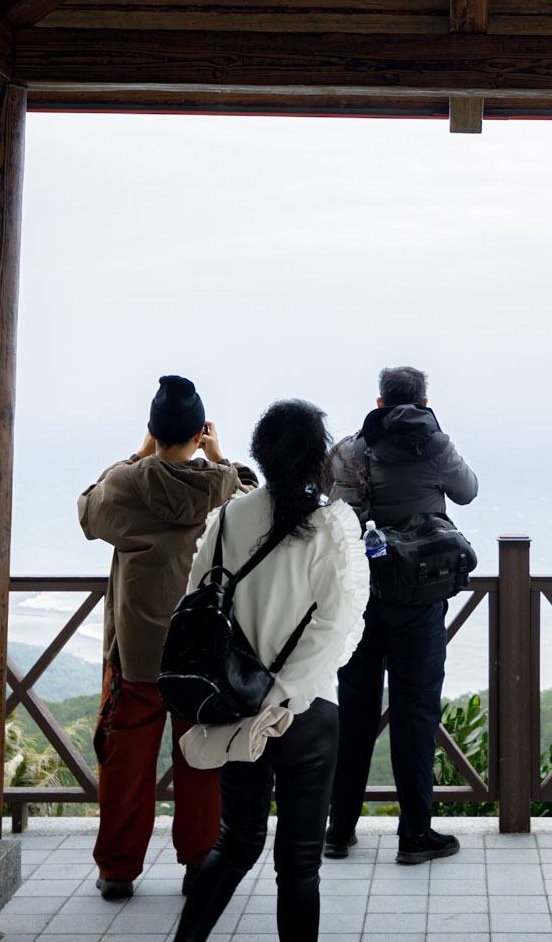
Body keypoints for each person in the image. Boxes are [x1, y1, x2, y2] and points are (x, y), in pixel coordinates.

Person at [174, 399, 366, 942]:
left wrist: (254, 695)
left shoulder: (228, 518)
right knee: (299, 866)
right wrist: (283, 694)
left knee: (235, 844)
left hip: (236, 704)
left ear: (261, 452)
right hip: (305, 712)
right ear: (318, 459)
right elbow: (338, 627)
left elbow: (197, 601)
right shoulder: (330, 526)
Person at [79, 375, 257, 900]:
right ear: (199, 434)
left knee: (125, 760)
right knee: (201, 757)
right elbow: (258, 508)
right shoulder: (223, 488)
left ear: (153, 431)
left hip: (136, 649)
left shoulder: (126, 485)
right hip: (203, 649)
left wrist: (137, 456)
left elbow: (87, 511)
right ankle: (200, 862)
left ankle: (118, 869)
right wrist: (222, 459)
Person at [323, 365, 479, 864]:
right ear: (424, 402)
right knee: (416, 715)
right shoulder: (435, 446)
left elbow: (334, 510)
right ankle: (414, 836)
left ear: (379, 402)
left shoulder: (351, 450)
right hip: (419, 598)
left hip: (360, 598)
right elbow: (467, 491)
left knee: (354, 714)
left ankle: (338, 830)